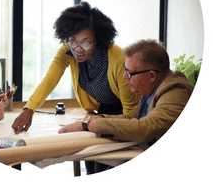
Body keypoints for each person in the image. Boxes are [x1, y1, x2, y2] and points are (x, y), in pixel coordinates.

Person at [12, 2, 140, 172]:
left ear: (99, 39)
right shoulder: (68, 51)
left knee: (102, 165)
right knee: (90, 160)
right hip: (100, 112)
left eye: (86, 43)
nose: (78, 49)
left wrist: (106, 124)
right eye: (72, 42)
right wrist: (29, 109)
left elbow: (131, 114)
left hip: (125, 115)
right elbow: (50, 80)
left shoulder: (117, 57)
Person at [58, 39, 194, 147]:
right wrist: (90, 121)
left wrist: (90, 125)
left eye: (129, 72)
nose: (124, 76)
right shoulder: (153, 92)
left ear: (152, 75)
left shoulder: (176, 90)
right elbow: (130, 119)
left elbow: (145, 128)